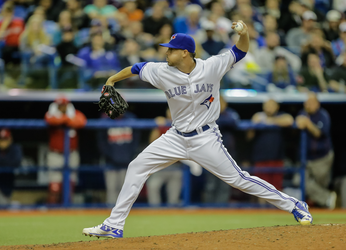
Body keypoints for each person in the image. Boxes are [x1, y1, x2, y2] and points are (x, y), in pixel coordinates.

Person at [82, 21, 313, 239]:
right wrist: (112, 80)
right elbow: (134, 68)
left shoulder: (211, 66)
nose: (166, 53)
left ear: (184, 52)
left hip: (205, 138)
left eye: (171, 49)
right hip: (175, 137)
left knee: (239, 179)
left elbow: (239, 52)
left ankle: (294, 205)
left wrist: (244, 34)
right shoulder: (160, 70)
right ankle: (114, 224)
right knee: (137, 167)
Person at [295, 92, 337, 209]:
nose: (308, 105)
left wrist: (308, 124)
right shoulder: (302, 114)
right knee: (299, 180)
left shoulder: (323, 115)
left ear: (317, 104)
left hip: (322, 157)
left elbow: (319, 133)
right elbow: (295, 126)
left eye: (311, 102)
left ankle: (322, 207)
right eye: (307, 102)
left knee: (321, 185)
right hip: (306, 158)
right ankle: (327, 198)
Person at [44, 96, 87, 204]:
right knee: (55, 186)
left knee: (70, 185)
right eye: (60, 106)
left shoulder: (74, 113)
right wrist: (67, 120)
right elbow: (51, 120)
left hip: (72, 153)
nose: (62, 108)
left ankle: (67, 209)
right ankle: (52, 210)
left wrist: (65, 120)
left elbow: (82, 121)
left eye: (64, 105)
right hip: (55, 154)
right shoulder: (51, 113)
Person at [248, 99, 294, 191]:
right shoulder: (258, 117)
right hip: (261, 159)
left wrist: (270, 121)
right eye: (267, 105)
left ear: (277, 107)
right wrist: (253, 125)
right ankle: (262, 206)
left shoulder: (281, 116)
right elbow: (249, 137)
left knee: (277, 189)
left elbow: (290, 120)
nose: (269, 108)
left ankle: (275, 206)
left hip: (277, 159)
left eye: (272, 105)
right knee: (261, 189)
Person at [96, 112, 141, 206]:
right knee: (112, 189)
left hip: (127, 162)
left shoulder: (131, 119)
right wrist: (111, 156)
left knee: (125, 189)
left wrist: (128, 156)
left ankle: (124, 213)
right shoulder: (105, 120)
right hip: (110, 162)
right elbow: (102, 143)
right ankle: (112, 214)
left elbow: (136, 141)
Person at [203, 96, 239, 204]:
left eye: (221, 102)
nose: (219, 105)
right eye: (217, 102)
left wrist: (217, 119)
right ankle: (209, 210)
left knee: (225, 184)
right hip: (211, 154)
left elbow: (233, 122)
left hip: (227, 154)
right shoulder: (207, 112)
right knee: (210, 185)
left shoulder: (230, 114)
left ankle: (221, 209)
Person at [146, 108, 183, 206]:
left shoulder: (183, 125)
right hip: (161, 165)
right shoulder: (163, 124)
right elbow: (152, 141)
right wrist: (157, 127)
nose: (171, 115)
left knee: (174, 197)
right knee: (153, 186)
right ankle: (154, 211)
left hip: (176, 165)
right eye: (169, 113)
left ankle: (172, 215)